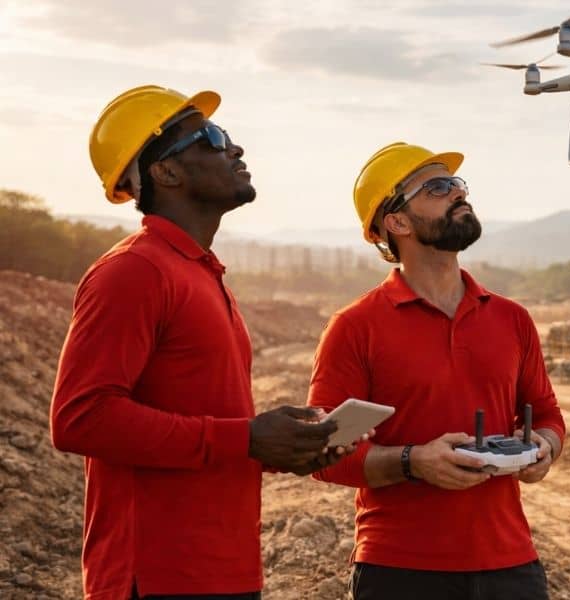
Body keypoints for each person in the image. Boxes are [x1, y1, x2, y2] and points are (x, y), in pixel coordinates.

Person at [50, 85, 351, 600]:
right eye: (212, 138)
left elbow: (207, 426)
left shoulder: (200, 273)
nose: (235, 148)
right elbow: (80, 418)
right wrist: (246, 439)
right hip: (158, 576)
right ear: (166, 172)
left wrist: (280, 447)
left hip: (223, 569)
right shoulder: (134, 271)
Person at [308, 142, 567, 599]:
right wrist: (413, 462)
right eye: (438, 188)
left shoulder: (512, 318)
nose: (459, 193)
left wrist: (545, 447)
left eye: (458, 185)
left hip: (510, 564)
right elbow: (324, 454)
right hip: (400, 570)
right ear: (398, 222)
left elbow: (546, 414)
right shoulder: (354, 327)